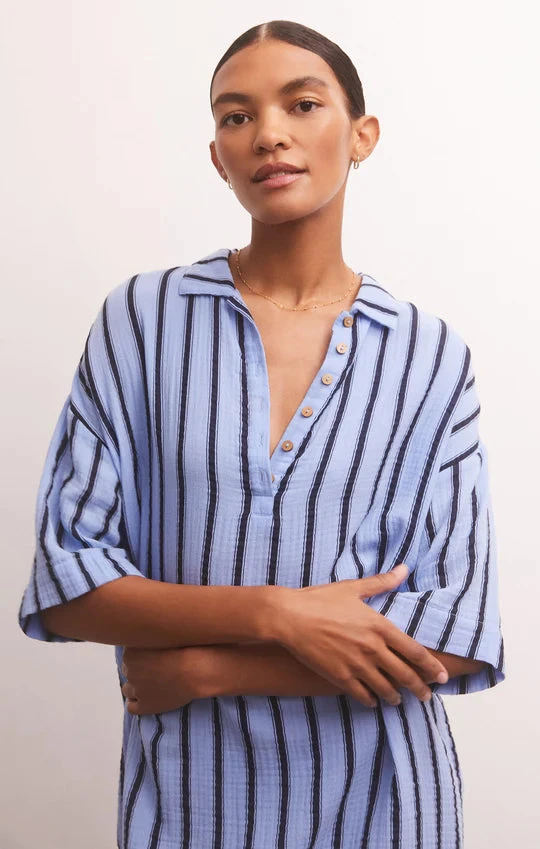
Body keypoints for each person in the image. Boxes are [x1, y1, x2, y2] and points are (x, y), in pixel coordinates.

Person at [18, 19, 505, 849]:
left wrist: (209, 667)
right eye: (236, 116)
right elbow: (67, 584)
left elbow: (458, 634)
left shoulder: (430, 356)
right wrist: (277, 613)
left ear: (362, 135)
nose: (268, 133)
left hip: (386, 804)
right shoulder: (144, 321)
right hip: (191, 803)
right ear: (218, 155)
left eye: (301, 104)